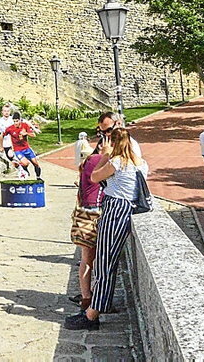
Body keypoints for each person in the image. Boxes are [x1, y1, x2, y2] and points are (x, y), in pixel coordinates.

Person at [64, 127, 146, 331]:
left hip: (115, 209)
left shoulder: (117, 163)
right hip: (128, 208)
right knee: (107, 262)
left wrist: (105, 155)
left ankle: (92, 315)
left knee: (103, 263)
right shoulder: (141, 164)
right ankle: (99, 306)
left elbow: (94, 177)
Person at [72, 139, 105, 311]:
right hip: (94, 212)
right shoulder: (98, 159)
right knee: (94, 258)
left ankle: (87, 296)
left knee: (88, 257)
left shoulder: (89, 161)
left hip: (85, 210)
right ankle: (89, 297)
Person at [2, 112, 42, 179]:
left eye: (17, 121)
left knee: (36, 163)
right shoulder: (10, 129)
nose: (15, 123)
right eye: (14, 121)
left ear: (20, 120)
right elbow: (1, 135)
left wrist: (26, 133)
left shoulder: (25, 125)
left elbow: (33, 135)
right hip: (18, 150)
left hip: (27, 148)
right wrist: (1, 146)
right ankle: (24, 170)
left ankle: (38, 177)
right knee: (25, 163)